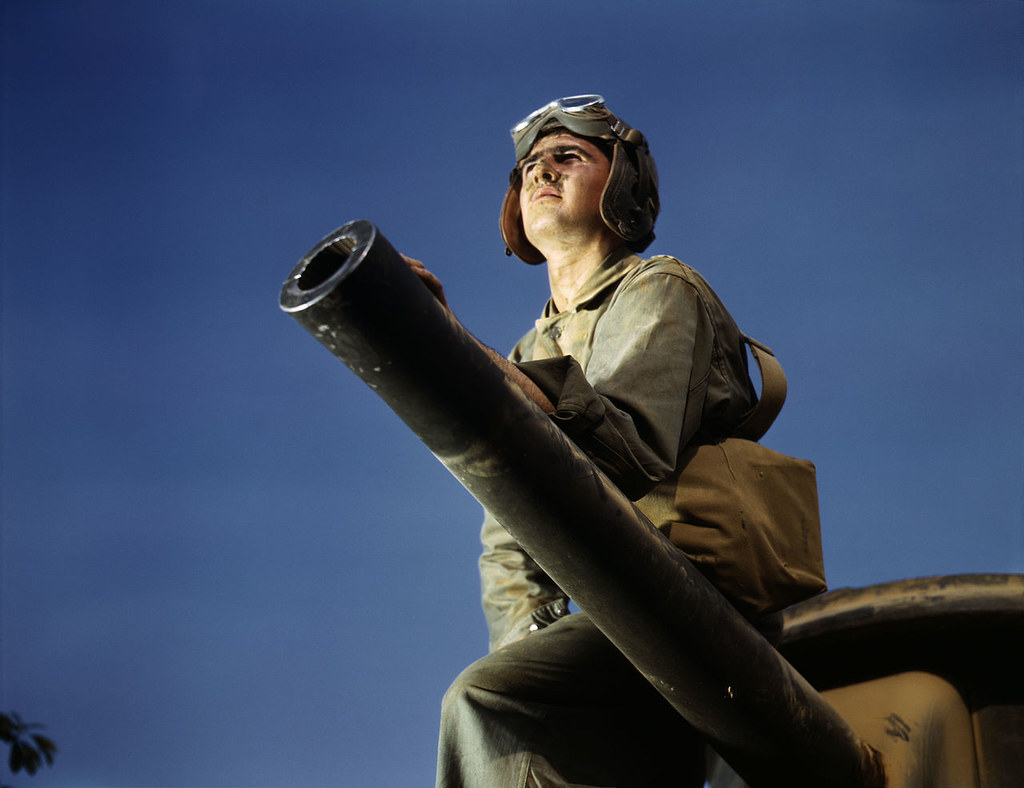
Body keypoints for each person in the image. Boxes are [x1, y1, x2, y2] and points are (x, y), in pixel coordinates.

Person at [410, 95, 760, 788]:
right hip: (609, 625)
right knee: (509, 697)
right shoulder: (529, 348)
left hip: (692, 603)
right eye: (531, 166)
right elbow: (507, 533)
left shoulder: (662, 290)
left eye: (569, 157)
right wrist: (531, 645)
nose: (542, 172)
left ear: (623, 182)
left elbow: (628, 452)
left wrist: (455, 353)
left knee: (487, 705)